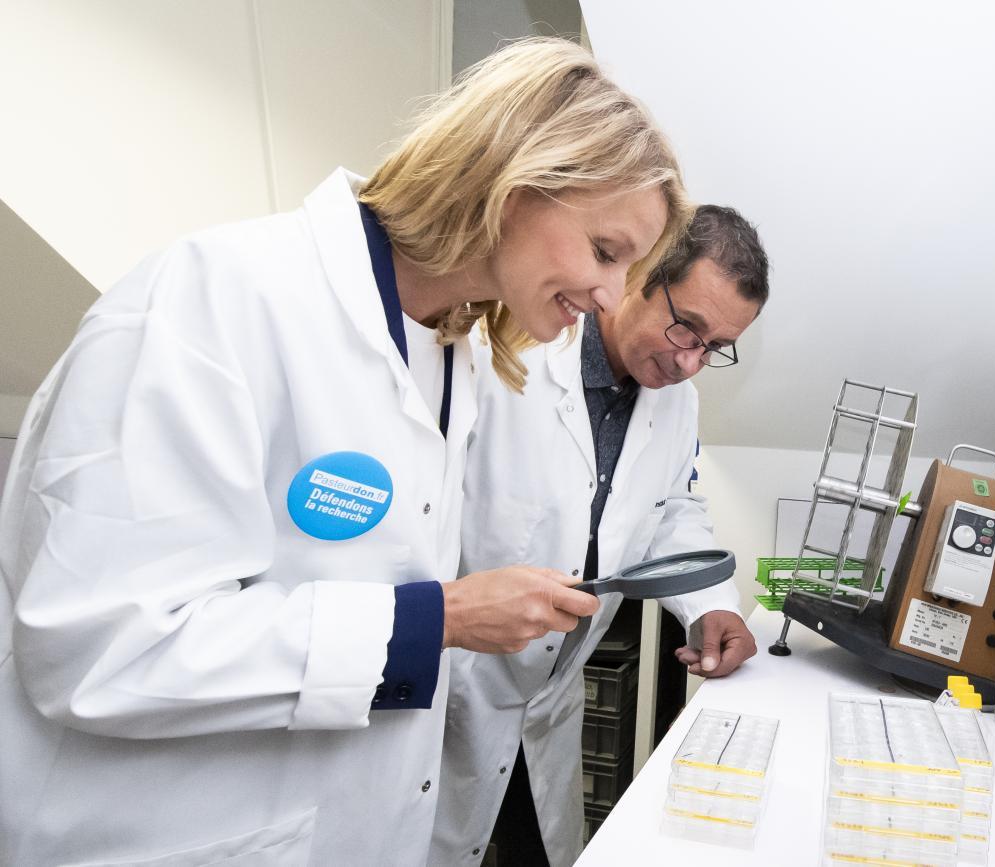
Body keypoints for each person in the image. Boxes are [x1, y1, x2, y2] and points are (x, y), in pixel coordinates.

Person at [0, 38, 691, 866]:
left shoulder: (452, 356)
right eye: (607, 252)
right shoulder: (214, 299)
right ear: (515, 186)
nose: (614, 296)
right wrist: (437, 619)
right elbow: (103, 647)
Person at [432, 205, 771, 866]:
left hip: (550, 699)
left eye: (714, 347)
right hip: (454, 691)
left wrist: (712, 604)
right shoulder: (508, 350)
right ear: (638, 273)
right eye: (687, 327)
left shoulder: (676, 399)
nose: (690, 361)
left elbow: (671, 507)